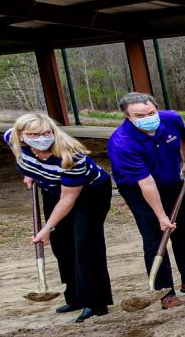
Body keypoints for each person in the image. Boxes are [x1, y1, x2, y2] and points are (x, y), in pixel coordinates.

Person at [109, 92, 185, 309]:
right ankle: (165, 291)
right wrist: (161, 216)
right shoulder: (121, 143)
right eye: (140, 115)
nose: (148, 117)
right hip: (138, 188)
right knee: (155, 237)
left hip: (171, 179)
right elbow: (146, 183)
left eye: (151, 112)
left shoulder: (170, 118)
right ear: (127, 117)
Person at [6, 113, 112, 322]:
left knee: (85, 244)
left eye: (47, 132)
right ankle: (75, 297)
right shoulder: (12, 137)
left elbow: (68, 198)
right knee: (61, 244)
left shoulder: (71, 156)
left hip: (89, 194)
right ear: (21, 135)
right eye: (34, 134)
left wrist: (47, 227)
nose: (42, 137)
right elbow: (18, 152)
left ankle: (95, 303)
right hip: (52, 188)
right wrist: (29, 172)